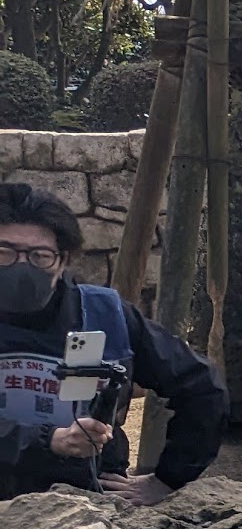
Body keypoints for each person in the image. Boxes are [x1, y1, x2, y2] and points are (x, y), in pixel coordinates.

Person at [0, 181, 226, 504]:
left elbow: (202, 387)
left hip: (86, 506)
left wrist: (168, 479)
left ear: (62, 260)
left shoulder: (102, 315)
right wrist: (48, 440)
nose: (21, 267)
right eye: (4, 252)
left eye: (39, 256)